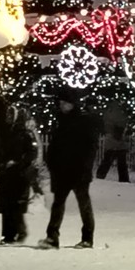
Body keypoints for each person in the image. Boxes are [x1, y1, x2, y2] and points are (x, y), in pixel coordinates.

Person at [39, 91, 101, 249]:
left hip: (77, 169)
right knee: (59, 204)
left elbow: (90, 147)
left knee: (83, 203)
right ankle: (52, 237)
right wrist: (52, 162)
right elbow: (56, 145)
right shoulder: (63, 121)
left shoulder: (82, 122)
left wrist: (85, 166)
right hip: (62, 170)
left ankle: (87, 238)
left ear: (72, 104)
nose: (61, 106)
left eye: (64, 103)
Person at [0, 102, 41, 244]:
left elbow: (32, 152)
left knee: (15, 206)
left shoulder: (25, 134)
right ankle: (8, 235)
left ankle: (15, 233)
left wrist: (18, 162)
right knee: (7, 206)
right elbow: (0, 152)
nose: (8, 117)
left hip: (18, 175)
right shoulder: (7, 133)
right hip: (6, 174)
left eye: (11, 114)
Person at [96, 100, 130, 183]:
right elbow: (123, 122)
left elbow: (107, 124)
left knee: (108, 158)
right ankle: (123, 178)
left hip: (111, 139)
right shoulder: (121, 113)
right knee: (121, 161)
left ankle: (100, 174)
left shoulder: (108, 113)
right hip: (118, 139)